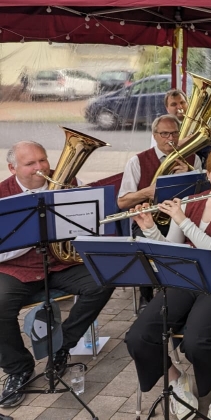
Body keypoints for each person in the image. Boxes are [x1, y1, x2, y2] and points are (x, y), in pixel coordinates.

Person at [125, 147, 211, 420]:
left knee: (196, 341)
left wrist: (182, 219)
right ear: (207, 175)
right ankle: (176, 379)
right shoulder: (189, 201)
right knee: (139, 335)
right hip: (186, 278)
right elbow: (171, 250)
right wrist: (149, 228)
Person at [0, 141, 114, 408]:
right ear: (12, 167)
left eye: (43, 160)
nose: (40, 168)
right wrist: (32, 236)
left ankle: (61, 347)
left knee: (103, 280)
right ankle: (18, 368)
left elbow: (92, 228)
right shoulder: (2, 196)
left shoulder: (69, 184)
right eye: (30, 164)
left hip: (62, 264)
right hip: (18, 269)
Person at [118, 114, 201, 310]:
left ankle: (183, 294)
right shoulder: (137, 161)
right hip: (148, 220)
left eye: (174, 133)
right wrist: (147, 191)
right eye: (164, 134)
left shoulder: (192, 158)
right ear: (154, 135)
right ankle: (147, 297)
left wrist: (189, 175)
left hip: (179, 220)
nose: (170, 139)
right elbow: (122, 202)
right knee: (144, 247)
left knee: (195, 244)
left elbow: (202, 197)